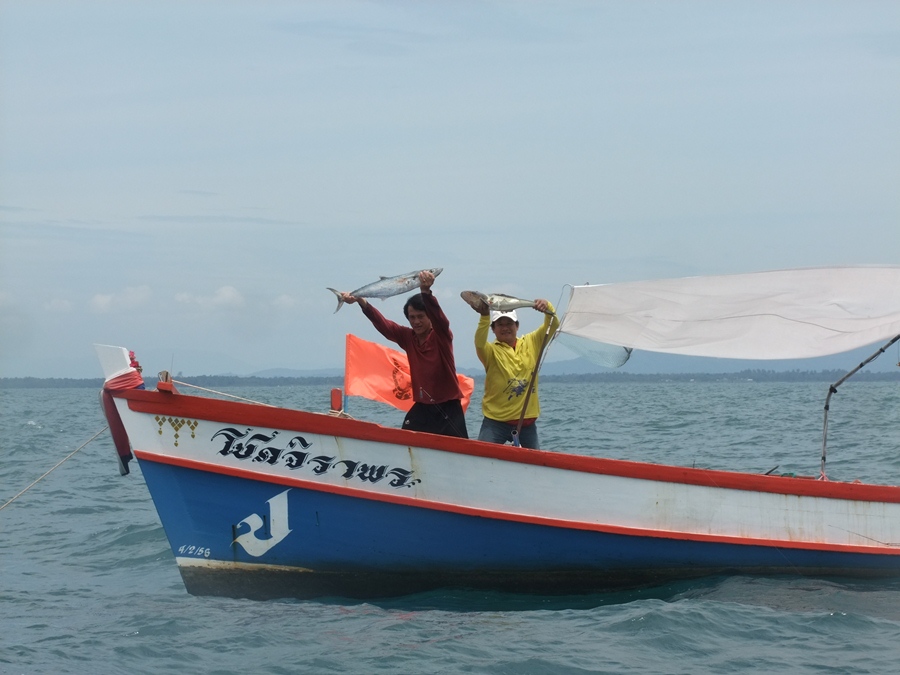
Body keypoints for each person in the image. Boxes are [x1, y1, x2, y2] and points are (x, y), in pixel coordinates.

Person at [339, 270, 469, 438]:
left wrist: (426, 292)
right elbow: (385, 325)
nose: (416, 322)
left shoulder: (441, 337)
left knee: (459, 454)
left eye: (421, 316)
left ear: (430, 317)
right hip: (422, 407)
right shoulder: (408, 337)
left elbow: (441, 320)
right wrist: (361, 301)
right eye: (411, 317)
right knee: (405, 441)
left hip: (449, 407)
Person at [471, 298, 559, 449]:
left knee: (535, 467)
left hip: (526, 424)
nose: (505, 328)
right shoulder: (490, 351)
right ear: (493, 328)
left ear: (517, 326)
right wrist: (485, 316)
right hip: (495, 422)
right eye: (500, 324)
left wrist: (547, 307)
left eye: (509, 323)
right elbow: (479, 342)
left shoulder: (531, 342)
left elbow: (553, 324)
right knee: (481, 459)